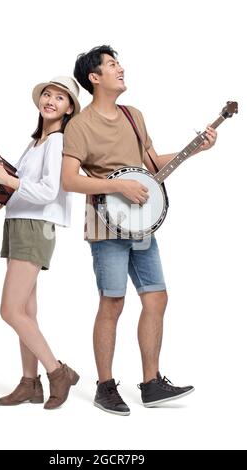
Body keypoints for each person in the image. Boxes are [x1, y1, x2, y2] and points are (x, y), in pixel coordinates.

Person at [61, 46, 217, 416]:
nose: (121, 69)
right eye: (112, 65)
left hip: (142, 223)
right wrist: (117, 187)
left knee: (156, 297)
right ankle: (105, 386)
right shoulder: (80, 125)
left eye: (119, 63)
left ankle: (151, 384)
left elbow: (151, 164)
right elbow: (69, 180)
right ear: (94, 78)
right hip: (105, 225)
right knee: (112, 303)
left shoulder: (134, 116)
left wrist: (194, 149)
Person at [0, 76, 80, 410]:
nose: (51, 100)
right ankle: (29, 383)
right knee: (26, 311)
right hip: (20, 223)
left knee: (10, 310)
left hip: (36, 227)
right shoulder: (36, 142)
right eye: (47, 94)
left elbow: (50, 191)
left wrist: (8, 180)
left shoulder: (57, 142)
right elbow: (25, 189)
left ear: (68, 109)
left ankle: (57, 371)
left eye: (60, 97)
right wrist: (1, 199)